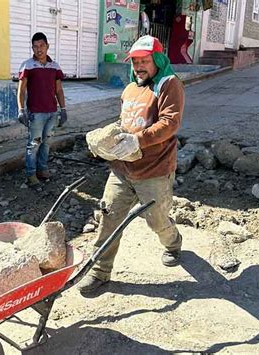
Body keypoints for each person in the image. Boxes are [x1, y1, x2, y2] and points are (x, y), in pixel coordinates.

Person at [78, 35, 185, 294]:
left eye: (144, 61)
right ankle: (100, 272)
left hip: (154, 170)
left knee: (156, 221)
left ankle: (173, 242)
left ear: (157, 60)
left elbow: (170, 123)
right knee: (109, 217)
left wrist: (138, 140)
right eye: (135, 62)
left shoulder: (168, 84)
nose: (139, 67)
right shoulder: (129, 89)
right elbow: (125, 122)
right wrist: (106, 137)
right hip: (122, 169)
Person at [17, 32, 67, 187]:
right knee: (34, 144)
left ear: (47, 46)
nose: (39, 50)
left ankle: (42, 169)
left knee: (46, 143)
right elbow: (22, 90)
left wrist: (63, 109)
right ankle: (31, 174)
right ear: (32, 48)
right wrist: (21, 110)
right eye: (35, 46)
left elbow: (59, 90)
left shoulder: (55, 66)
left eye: (42, 46)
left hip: (52, 112)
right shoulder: (28, 66)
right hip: (36, 113)